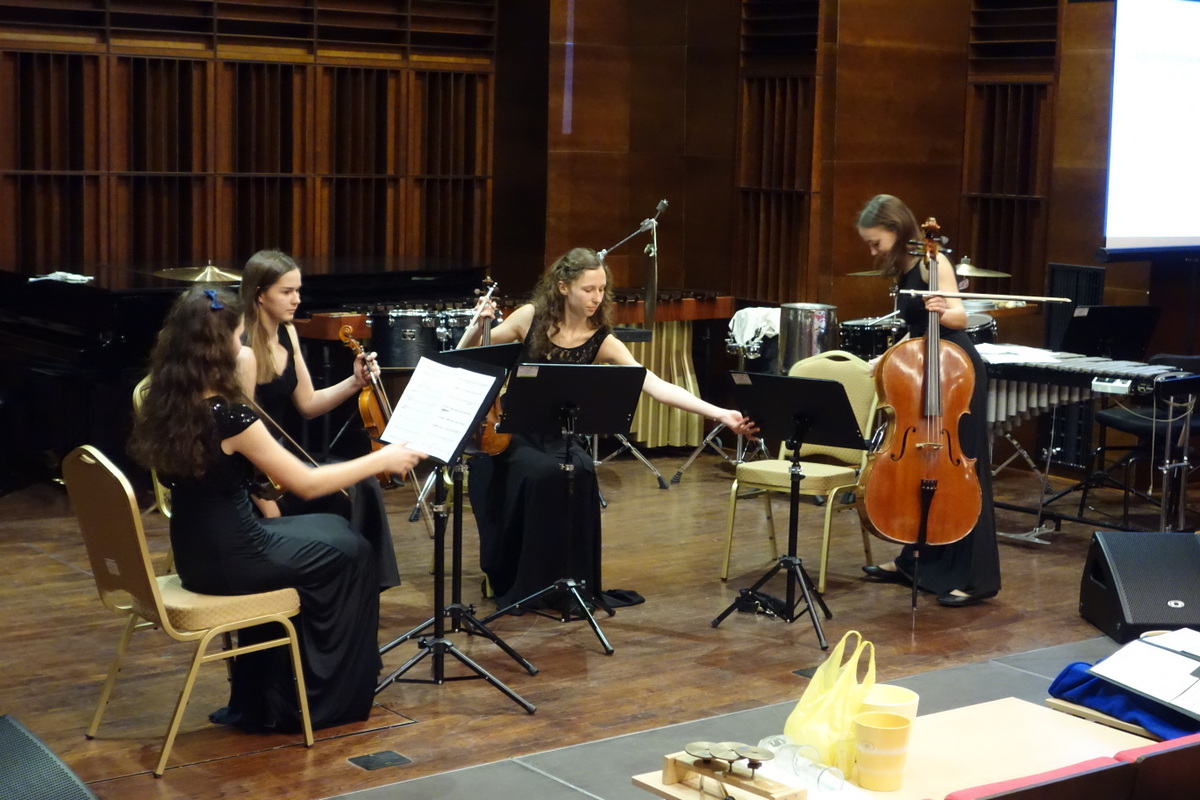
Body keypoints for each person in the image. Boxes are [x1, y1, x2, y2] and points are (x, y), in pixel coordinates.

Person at [128, 286, 423, 732]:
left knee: (331, 529)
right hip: (236, 558)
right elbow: (305, 483)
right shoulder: (229, 418)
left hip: (195, 556)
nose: (242, 347)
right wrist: (382, 460)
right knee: (353, 549)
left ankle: (269, 696)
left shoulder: (164, 402)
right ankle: (320, 700)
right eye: (238, 338)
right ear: (218, 348)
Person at [457, 247, 755, 610]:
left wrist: (720, 413)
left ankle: (569, 580)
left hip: (559, 436)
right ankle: (524, 579)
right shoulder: (530, 317)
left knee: (581, 469)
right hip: (512, 434)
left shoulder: (602, 339)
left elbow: (655, 385)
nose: (596, 297)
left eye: (601, 289)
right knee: (542, 473)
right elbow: (466, 354)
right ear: (563, 287)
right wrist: (478, 327)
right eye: (588, 289)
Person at [854, 194, 1001, 607]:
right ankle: (915, 561)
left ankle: (975, 578)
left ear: (896, 230)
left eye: (875, 242)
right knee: (922, 466)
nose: (872, 251)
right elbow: (916, 326)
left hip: (953, 372)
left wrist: (940, 307)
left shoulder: (933, 263)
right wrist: (887, 356)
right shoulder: (905, 266)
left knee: (963, 472)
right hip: (926, 365)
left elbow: (958, 317)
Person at [237, 249, 400, 592]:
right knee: (345, 495)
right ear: (260, 294)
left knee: (363, 484)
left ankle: (363, 588)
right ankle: (337, 588)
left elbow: (309, 404)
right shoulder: (242, 349)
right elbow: (239, 438)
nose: (296, 299)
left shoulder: (287, 333)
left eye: (298, 290)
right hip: (255, 477)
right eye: (286, 291)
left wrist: (354, 382)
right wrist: (266, 503)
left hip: (284, 462)